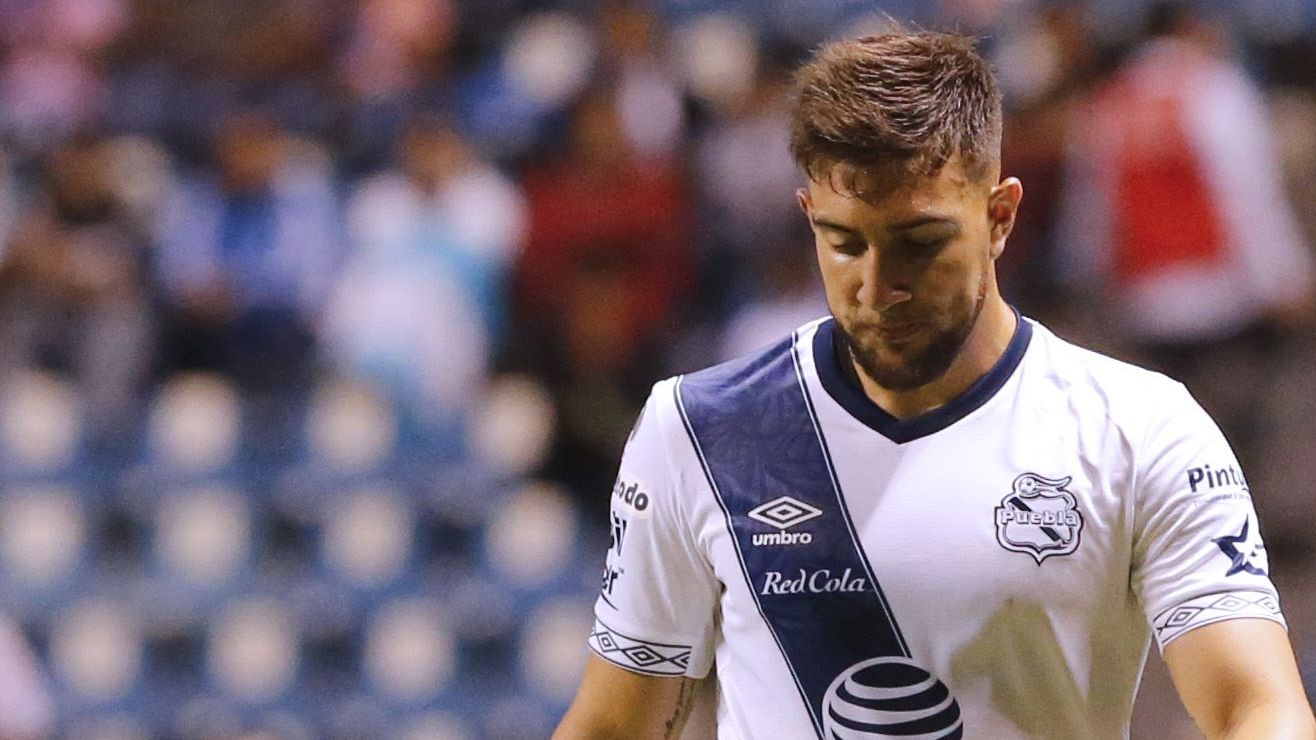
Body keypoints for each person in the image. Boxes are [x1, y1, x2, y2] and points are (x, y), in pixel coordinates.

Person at [554, 31, 1316, 739]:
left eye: (920, 243)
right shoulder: (698, 431)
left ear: (1000, 216)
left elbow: (1257, 704)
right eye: (844, 243)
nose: (878, 286)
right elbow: (614, 726)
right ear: (808, 215)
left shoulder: (1141, 430)